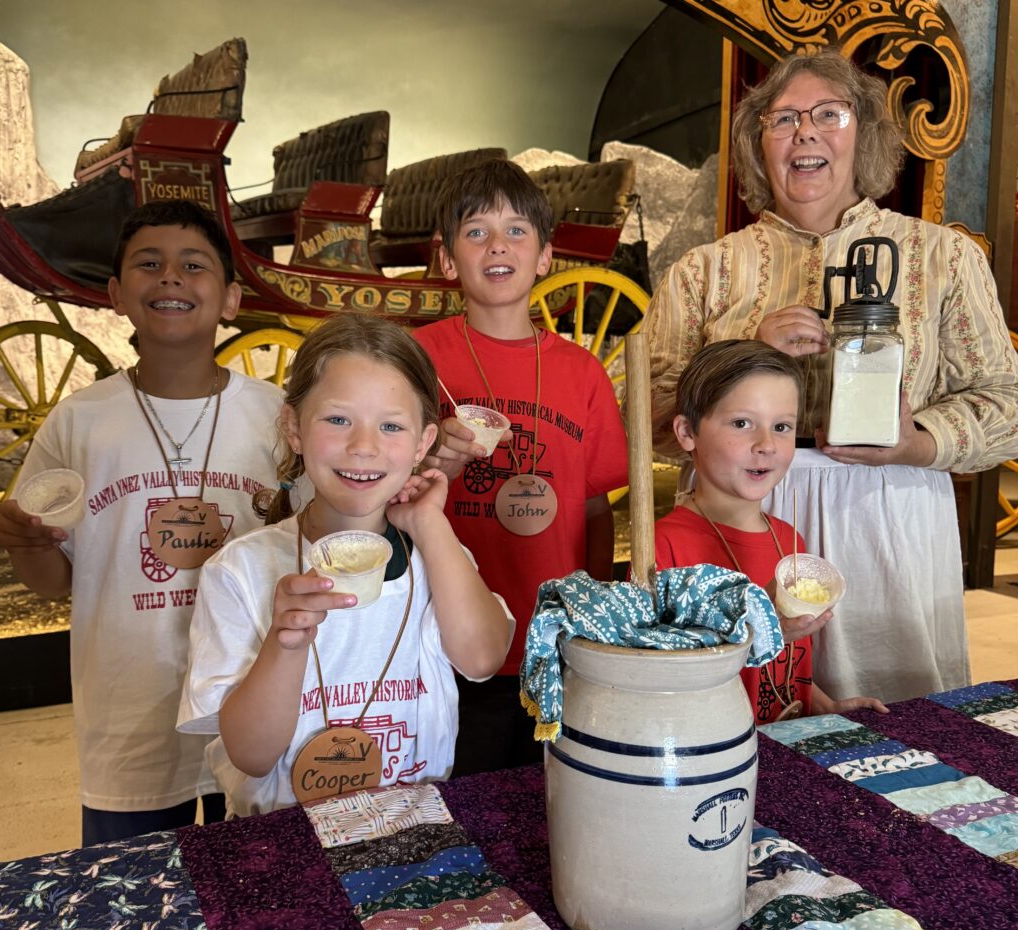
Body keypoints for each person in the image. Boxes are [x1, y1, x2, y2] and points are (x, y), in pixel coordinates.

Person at [643, 49, 1018, 704]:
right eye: (782, 119)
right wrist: (741, 355)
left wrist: (917, 443)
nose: (804, 132)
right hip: (741, 515)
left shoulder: (944, 256)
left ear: (864, 133)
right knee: (744, 703)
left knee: (893, 718)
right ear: (759, 148)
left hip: (890, 516)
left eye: (828, 115)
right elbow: (642, 418)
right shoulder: (701, 272)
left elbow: (1007, 405)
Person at [0, 200, 284, 844]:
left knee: (260, 893)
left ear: (232, 298)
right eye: (149, 264)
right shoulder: (80, 422)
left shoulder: (277, 416)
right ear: (117, 294)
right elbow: (51, 582)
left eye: (194, 265)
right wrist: (25, 540)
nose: (171, 278)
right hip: (130, 716)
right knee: (138, 900)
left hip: (250, 703)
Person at [177, 314, 513, 817]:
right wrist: (284, 643)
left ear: (423, 445)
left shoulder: (435, 557)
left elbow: (483, 658)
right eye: (338, 419)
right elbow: (250, 755)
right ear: (293, 427)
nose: (364, 446)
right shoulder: (239, 571)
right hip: (286, 848)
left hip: (414, 837)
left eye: (391, 426)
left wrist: (429, 523)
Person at [414, 159, 628, 775]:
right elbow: (385, 486)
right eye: (476, 232)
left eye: (516, 231)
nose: (498, 245)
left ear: (545, 257)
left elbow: (593, 506)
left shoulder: (581, 372)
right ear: (448, 260)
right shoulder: (420, 358)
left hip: (553, 643)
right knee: (460, 799)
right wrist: (435, 462)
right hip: (447, 640)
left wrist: (591, 618)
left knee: (550, 801)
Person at [654, 340, 888, 722]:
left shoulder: (788, 539)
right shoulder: (664, 547)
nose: (766, 445)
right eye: (742, 423)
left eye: (782, 427)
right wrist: (758, 630)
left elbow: (789, 662)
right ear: (687, 432)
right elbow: (664, 674)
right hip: (718, 752)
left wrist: (824, 705)